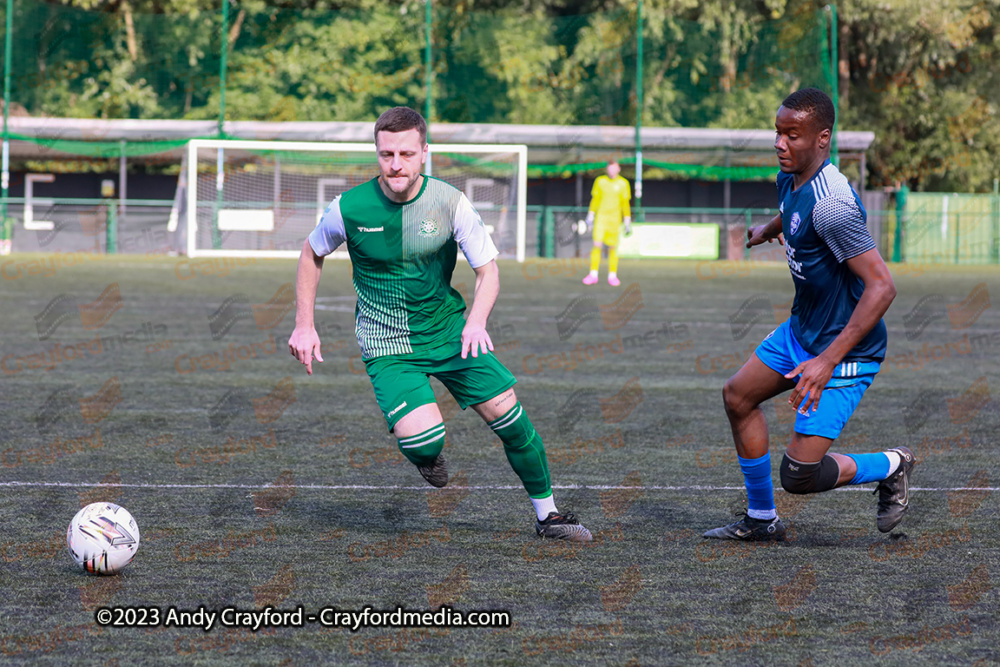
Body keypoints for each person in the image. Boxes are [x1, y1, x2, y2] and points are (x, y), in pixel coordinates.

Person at [289, 106, 592, 542]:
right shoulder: (349, 208)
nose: (396, 164)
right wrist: (304, 324)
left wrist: (476, 322)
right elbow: (311, 253)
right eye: (387, 153)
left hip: (451, 332)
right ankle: (423, 451)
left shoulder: (449, 203)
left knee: (512, 420)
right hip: (386, 343)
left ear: (424, 152)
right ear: (376, 152)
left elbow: (487, 270)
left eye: (406, 154)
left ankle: (549, 517)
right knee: (426, 442)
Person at [704, 88, 913, 542]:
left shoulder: (833, 205)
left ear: (822, 138)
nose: (780, 143)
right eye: (777, 133)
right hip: (802, 331)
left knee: (799, 476)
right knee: (738, 397)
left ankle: (892, 465)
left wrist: (826, 362)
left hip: (846, 348)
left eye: (791, 135)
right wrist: (768, 229)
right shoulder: (791, 174)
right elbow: (790, 208)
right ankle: (762, 520)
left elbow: (883, 287)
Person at [582, 160, 631, 286]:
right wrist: (590, 215)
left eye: (614, 168)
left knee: (612, 248)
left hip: (614, 220)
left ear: (618, 169)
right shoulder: (600, 181)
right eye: (609, 168)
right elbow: (595, 199)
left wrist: (627, 220)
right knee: (597, 244)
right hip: (601, 218)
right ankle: (593, 274)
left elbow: (625, 203)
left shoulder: (623, 183)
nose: (611, 170)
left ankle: (612, 275)